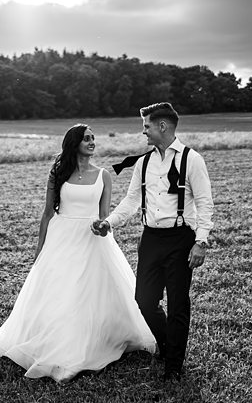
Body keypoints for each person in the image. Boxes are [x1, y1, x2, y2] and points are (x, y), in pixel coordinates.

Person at [0, 124, 156, 382]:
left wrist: (102, 226)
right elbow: (47, 214)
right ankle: (57, 345)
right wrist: (39, 249)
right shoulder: (58, 174)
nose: (91, 142)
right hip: (61, 237)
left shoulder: (103, 176)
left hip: (91, 239)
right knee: (61, 291)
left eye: (93, 138)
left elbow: (103, 216)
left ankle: (92, 343)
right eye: (86, 138)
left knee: (90, 291)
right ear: (74, 143)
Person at [91, 102, 214, 382]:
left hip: (181, 238)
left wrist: (201, 241)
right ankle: (169, 345)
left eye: (146, 126)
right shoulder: (144, 162)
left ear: (162, 126)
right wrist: (109, 222)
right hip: (151, 239)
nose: (143, 131)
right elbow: (132, 200)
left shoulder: (191, 160)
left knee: (179, 303)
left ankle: (173, 365)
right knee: (144, 301)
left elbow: (205, 203)